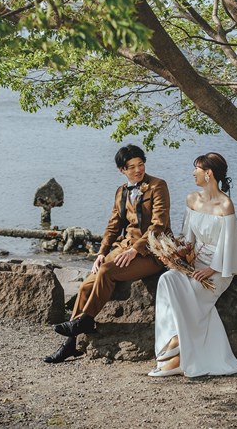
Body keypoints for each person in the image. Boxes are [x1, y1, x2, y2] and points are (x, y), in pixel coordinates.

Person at [44, 144, 170, 363]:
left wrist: (134, 250)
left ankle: (86, 320)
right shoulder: (122, 192)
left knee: (107, 272)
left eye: (141, 164)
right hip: (123, 248)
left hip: (151, 251)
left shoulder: (158, 186)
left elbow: (159, 225)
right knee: (85, 285)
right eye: (132, 167)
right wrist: (101, 252)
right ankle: (69, 345)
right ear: (122, 169)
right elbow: (113, 226)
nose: (138, 170)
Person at [149, 152, 237, 377]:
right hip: (194, 263)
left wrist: (211, 270)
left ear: (208, 173)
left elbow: (229, 245)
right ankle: (172, 346)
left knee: (193, 291)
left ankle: (176, 351)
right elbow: (188, 238)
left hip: (218, 269)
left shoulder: (225, 205)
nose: (192, 173)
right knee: (167, 280)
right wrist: (175, 255)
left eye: (196, 168)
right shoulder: (192, 199)